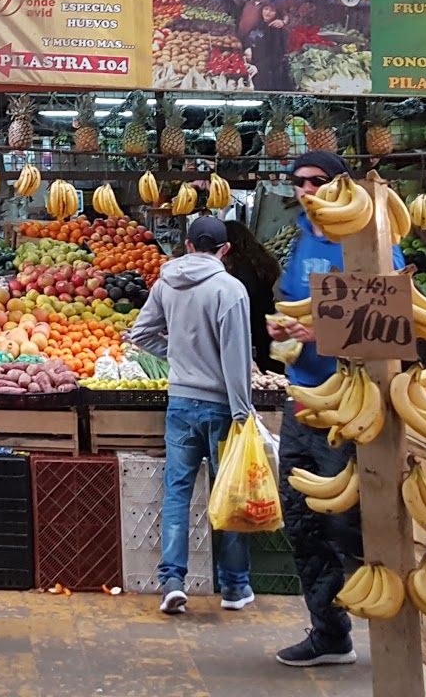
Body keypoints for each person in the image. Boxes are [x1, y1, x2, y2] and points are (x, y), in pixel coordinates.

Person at [270, 150, 404, 668]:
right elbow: (291, 299)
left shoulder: (369, 241)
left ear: (339, 185)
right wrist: (283, 328)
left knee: (350, 526)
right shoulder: (302, 237)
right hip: (303, 398)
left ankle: (389, 627)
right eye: (298, 181)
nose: (306, 189)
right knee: (301, 520)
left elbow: (388, 321)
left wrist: (319, 331)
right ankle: (329, 633)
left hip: (353, 406)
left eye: (317, 180)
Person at [124, 216, 256, 616]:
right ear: (225, 249)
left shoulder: (166, 284)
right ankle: (234, 587)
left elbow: (140, 334)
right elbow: (236, 358)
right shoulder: (230, 290)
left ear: (185, 245)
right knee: (229, 493)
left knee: (178, 492)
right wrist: (242, 411)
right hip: (221, 405)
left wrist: (178, 357)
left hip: (180, 402)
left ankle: (172, 582)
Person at [223, 220, 282, 373]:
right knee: (271, 375)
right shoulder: (263, 261)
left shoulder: (233, 269)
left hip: (247, 328)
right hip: (267, 324)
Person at [244, 1, 291, 92]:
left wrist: (259, 67)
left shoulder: (278, 31)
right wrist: (247, 48)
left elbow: (277, 56)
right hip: (253, 71)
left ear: (277, 13)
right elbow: (248, 39)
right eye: (266, 9)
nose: (268, 12)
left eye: (272, 10)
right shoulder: (257, 25)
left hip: (268, 77)